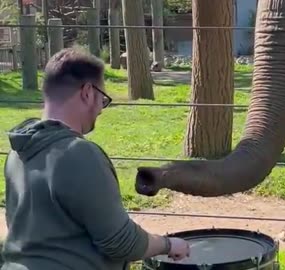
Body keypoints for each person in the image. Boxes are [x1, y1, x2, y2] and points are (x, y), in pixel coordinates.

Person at [1, 48, 190, 270]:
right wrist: (168, 244)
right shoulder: (77, 153)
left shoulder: (18, 151)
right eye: (103, 98)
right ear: (88, 92)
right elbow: (121, 242)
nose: (101, 108)